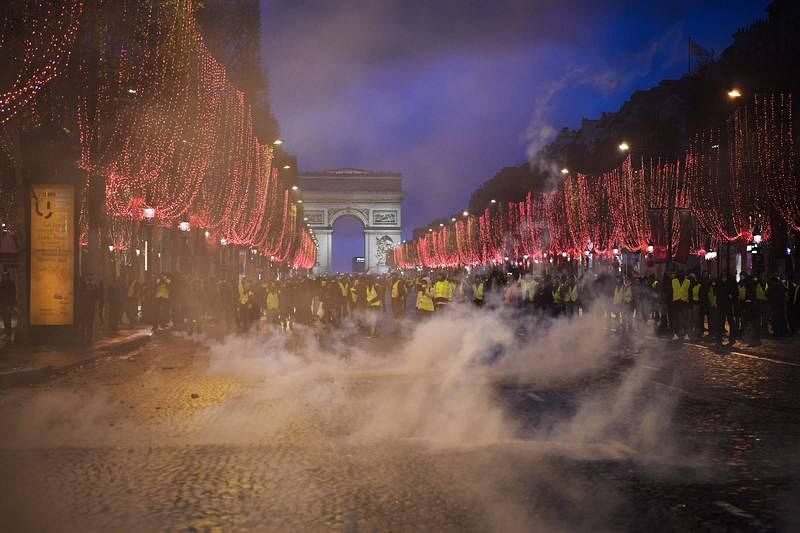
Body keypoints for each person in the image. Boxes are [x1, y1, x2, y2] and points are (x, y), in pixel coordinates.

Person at [0, 271, 16, 341]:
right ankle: (7, 333)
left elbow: (13, 295)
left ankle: (8, 334)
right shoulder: (1, 284)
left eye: (6, 276)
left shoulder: (11, 284)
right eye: (4, 276)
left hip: (8, 304)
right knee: (4, 318)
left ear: (8, 276)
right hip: (2, 304)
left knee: (8, 319)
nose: (5, 277)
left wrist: (11, 305)